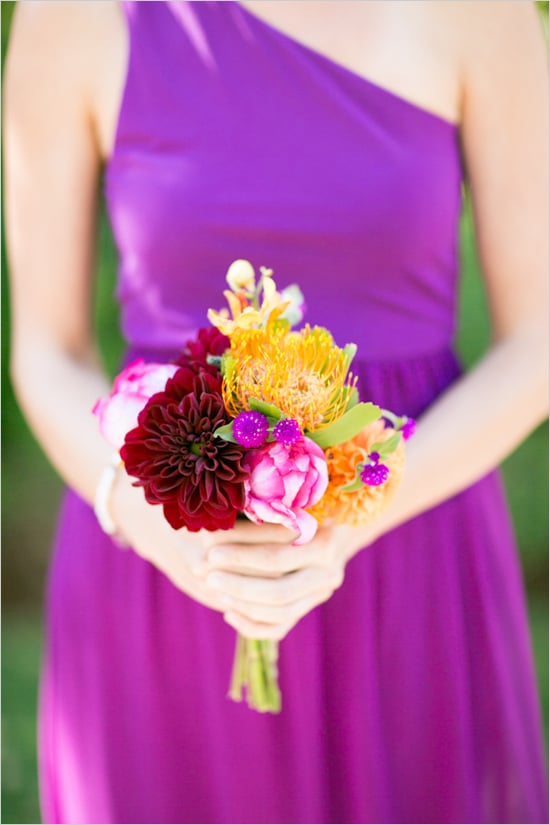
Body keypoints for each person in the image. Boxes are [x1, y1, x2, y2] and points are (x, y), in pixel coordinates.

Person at [4, 1, 548, 823]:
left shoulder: (481, 14)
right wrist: (146, 520)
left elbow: (538, 344)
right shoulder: (76, 15)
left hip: (410, 542)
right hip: (162, 550)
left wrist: (351, 518)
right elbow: (45, 349)